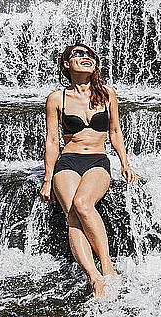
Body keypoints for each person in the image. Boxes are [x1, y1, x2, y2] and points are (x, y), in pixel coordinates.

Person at [39, 43, 138, 298]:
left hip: (97, 160)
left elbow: (115, 132)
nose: (86, 57)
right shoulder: (56, 98)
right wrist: (48, 179)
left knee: (82, 203)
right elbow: (52, 141)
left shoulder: (107, 94)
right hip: (68, 161)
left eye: (90, 54)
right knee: (72, 214)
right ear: (66, 64)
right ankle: (94, 277)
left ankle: (107, 266)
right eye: (79, 54)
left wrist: (125, 164)